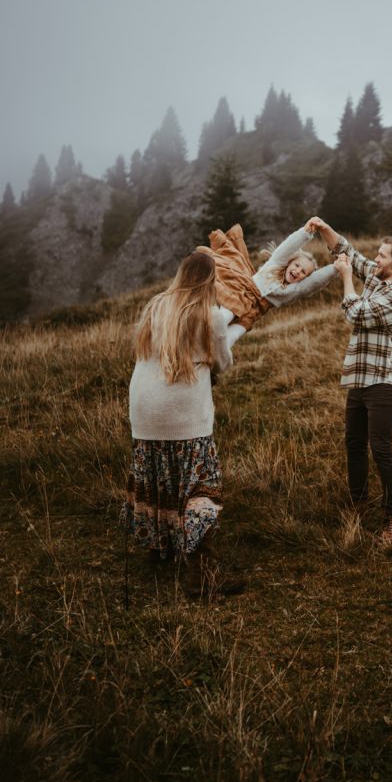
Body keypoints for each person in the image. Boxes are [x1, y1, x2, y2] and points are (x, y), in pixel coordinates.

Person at [120, 250, 240, 597]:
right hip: (182, 412)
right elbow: (222, 362)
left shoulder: (157, 304)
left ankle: (159, 550)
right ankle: (201, 579)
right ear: (209, 281)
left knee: (159, 475)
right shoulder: (212, 315)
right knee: (201, 487)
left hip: (144, 408)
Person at [305, 216, 392, 544]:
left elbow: (357, 313)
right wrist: (324, 228)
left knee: (380, 447)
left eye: (381, 256)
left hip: (385, 379)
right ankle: (357, 504)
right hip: (360, 376)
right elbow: (347, 251)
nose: (375, 259)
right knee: (354, 444)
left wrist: (346, 279)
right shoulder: (380, 276)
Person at [196, 222, 338, 356]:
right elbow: (288, 246)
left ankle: (211, 364)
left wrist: (336, 268)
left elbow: (315, 281)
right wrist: (306, 231)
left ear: (304, 278)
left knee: (231, 337)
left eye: (303, 272)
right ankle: (194, 339)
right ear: (289, 262)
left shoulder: (293, 291)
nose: (297, 271)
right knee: (223, 318)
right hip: (241, 294)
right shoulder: (275, 264)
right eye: (297, 266)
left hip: (252, 313)